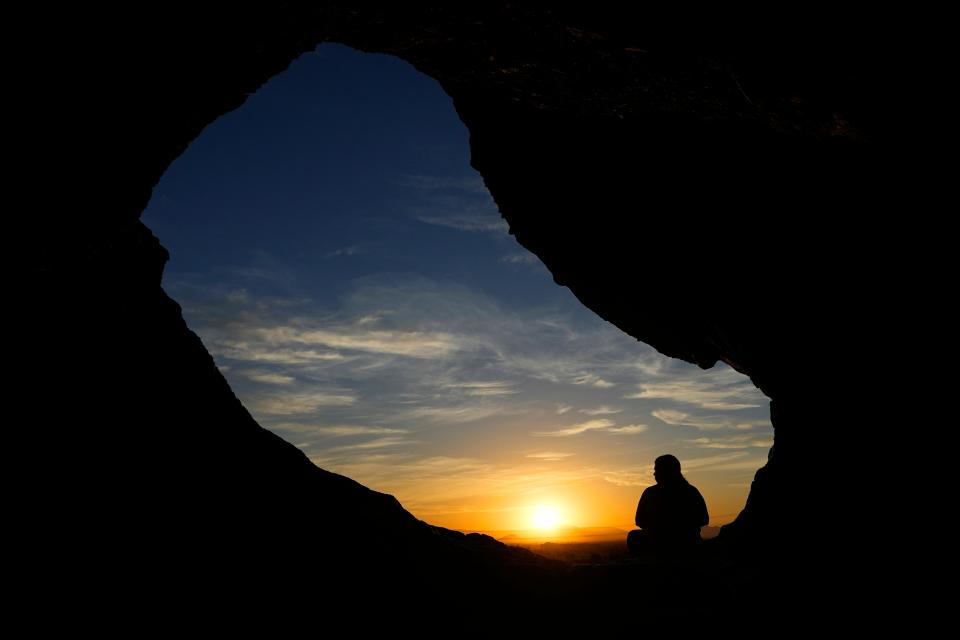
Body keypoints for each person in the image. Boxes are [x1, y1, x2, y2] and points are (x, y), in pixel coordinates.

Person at [627, 454, 709, 556]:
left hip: (682, 542)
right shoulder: (690, 491)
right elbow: (639, 520)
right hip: (659, 540)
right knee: (634, 536)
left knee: (634, 536)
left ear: (667, 471)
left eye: (657, 470)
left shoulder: (689, 492)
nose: (654, 474)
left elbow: (704, 519)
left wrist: (671, 528)